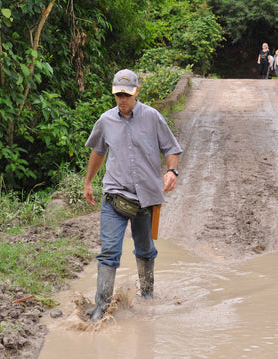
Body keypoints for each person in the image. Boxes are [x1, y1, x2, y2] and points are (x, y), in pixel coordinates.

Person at [83, 69, 183, 322]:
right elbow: (98, 151)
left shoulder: (152, 117)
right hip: (114, 197)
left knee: (145, 250)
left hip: (146, 200)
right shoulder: (106, 120)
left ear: (137, 92)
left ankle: (147, 296)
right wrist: (88, 182)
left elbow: (171, 149)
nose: (122, 100)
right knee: (108, 253)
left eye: (126, 94)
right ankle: (101, 308)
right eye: (118, 95)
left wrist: (172, 171)